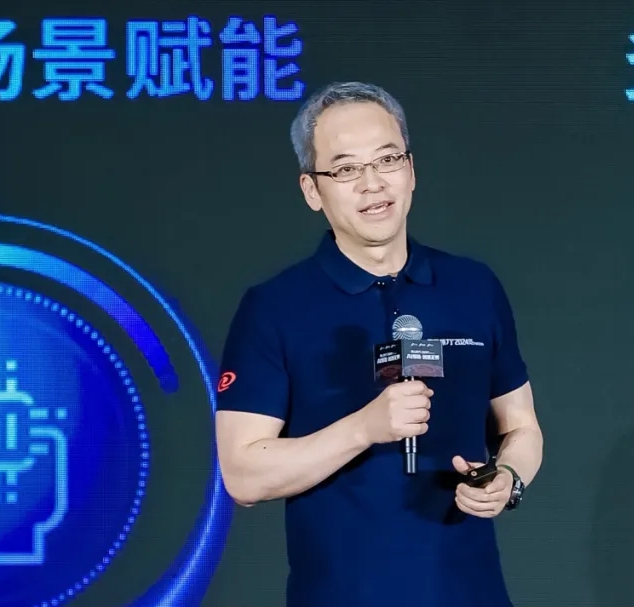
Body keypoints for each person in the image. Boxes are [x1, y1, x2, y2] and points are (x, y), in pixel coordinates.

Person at [213, 81, 544, 607]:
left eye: (388, 159)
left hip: (470, 591)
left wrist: (508, 476)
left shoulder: (473, 287)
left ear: (411, 171)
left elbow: (521, 426)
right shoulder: (275, 307)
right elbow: (243, 475)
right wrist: (364, 428)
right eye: (346, 169)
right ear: (312, 190)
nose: (373, 183)